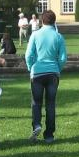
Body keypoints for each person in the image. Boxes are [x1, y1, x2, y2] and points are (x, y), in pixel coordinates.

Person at [25, 9, 67, 144]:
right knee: (50, 104)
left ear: (41, 21)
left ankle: (36, 125)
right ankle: (49, 135)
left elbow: (28, 55)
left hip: (37, 72)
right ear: (54, 21)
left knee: (36, 102)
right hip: (53, 73)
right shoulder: (58, 37)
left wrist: (30, 68)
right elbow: (63, 58)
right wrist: (57, 69)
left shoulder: (35, 35)